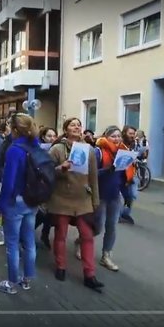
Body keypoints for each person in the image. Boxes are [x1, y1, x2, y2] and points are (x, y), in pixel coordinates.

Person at [47, 117, 104, 292]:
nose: (77, 127)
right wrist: (60, 168)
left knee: (87, 236)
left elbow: (94, 177)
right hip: (61, 198)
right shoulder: (56, 149)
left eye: (79, 125)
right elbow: (46, 172)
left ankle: (89, 275)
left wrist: (95, 200)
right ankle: (61, 266)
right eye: (73, 125)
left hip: (83, 200)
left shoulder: (89, 150)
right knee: (61, 234)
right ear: (65, 129)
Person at [0, 114, 41, 294]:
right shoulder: (35, 145)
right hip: (32, 199)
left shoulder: (14, 149)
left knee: (12, 243)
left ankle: (12, 283)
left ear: (13, 129)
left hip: (16, 200)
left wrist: (0, 205)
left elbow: (9, 182)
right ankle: (27, 279)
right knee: (29, 241)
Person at [94, 126, 128, 272]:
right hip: (100, 194)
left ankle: (106, 256)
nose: (117, 139)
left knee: (111, 226)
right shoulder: (98, 152)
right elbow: (91, 173)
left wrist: (126, 194)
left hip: (115, 195)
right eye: (113, 136)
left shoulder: (123, 153)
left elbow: (124, 176)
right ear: (106, 137)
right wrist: (107, 170)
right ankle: (81, 241)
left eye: (119, 136)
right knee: (97, 227)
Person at [35, 127, 58, 249]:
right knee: (41, 213)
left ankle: (45, 234)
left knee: (50, 213)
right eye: (49, 136)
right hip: (41, 184)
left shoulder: (57, 148)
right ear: (43, 137)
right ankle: (26, 234)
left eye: (54, 136)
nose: (52, 138)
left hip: (54, 185)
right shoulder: (38, 149)